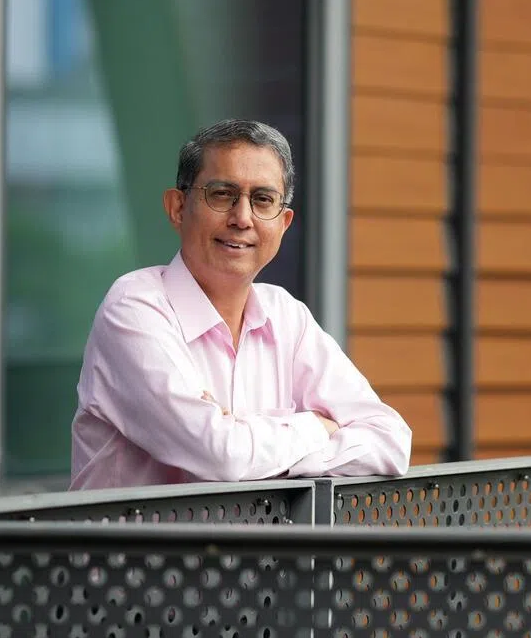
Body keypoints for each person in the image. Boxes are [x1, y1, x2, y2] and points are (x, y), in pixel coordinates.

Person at [69, 119, 412, 489]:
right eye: (222, 194)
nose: (242, 218)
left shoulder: (287, 317)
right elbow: (220, 455)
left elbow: (391, 440)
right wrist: (316, 426)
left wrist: (247, 440)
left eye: (262, 200)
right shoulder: (134, 308)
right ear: (178, 207)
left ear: (283, 223)